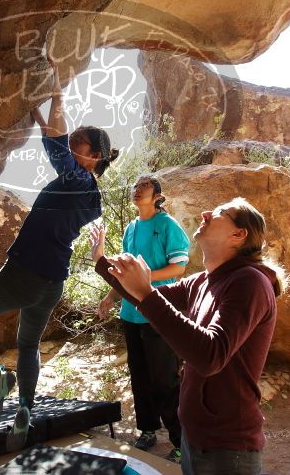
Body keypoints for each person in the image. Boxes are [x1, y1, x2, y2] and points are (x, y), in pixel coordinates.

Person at [0, 52, 119, 452]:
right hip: (51, 283)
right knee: (27, 345)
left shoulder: (79, 180)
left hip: (26, 276)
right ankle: (24, 407)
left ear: (94, 156)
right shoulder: (88, 192)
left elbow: (58, 151)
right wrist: (41, 117)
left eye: (80, 142)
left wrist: (58, 96)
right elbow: (55, 146)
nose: (71, 143)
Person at [96, 198, 288, 475]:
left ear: (238, 234)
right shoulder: (203, 281)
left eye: (220, 212)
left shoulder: (250, 282)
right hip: (194, 434)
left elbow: (210, 356)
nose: (206, 211)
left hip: (227, 447)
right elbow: (144, 299)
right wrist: (102, 262)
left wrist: (147, 292)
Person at [91, 175, 189, 462]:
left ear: (158, 195)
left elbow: (178, 267)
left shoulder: (167, 226)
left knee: (165, 379)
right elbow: (124, 271)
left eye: (143, 188)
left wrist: (145, 279)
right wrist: (111, 297)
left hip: (158, 311)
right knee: (140, 375)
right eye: (134, 187)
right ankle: (147, 429)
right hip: (131, 313)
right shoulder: (132, 228)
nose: (137, 191)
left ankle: (181, 440)